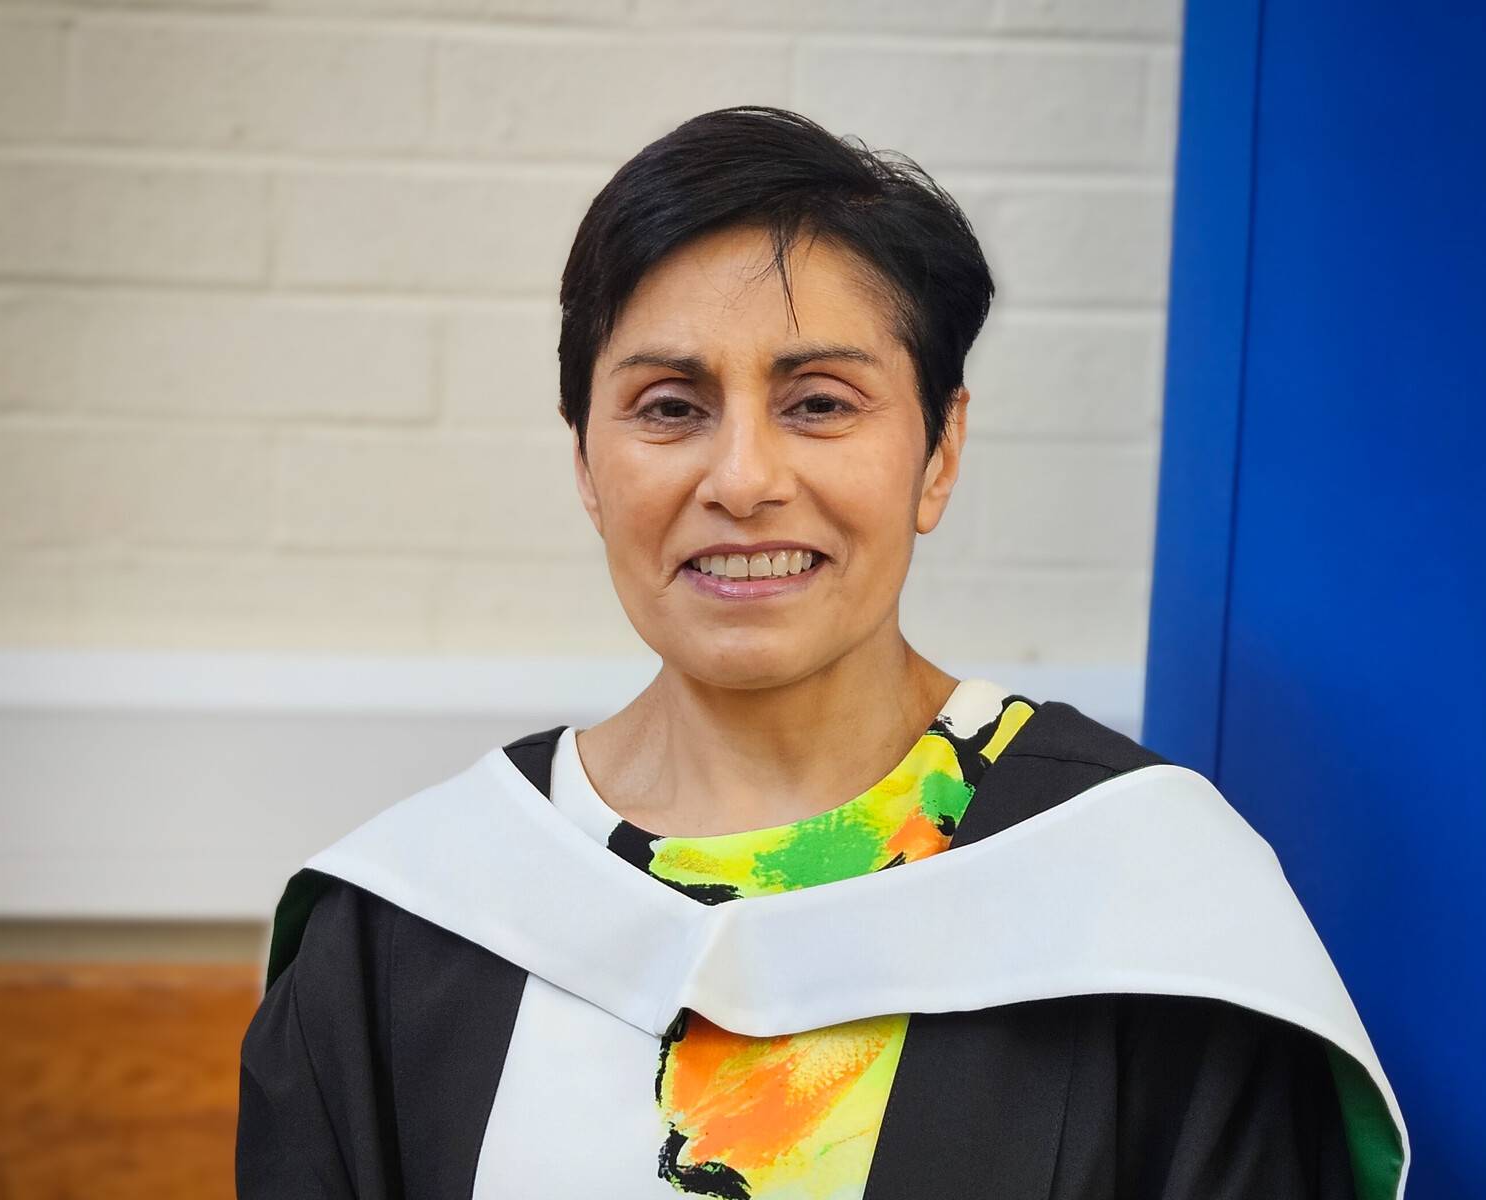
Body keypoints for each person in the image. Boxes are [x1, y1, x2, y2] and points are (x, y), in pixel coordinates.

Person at [236, 106, 1408, 1200]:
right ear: (587, 463)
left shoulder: (1152, 911)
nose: (743, 480)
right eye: (668, 407)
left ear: (939, 451)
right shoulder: (407, 928)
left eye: (820, 404)